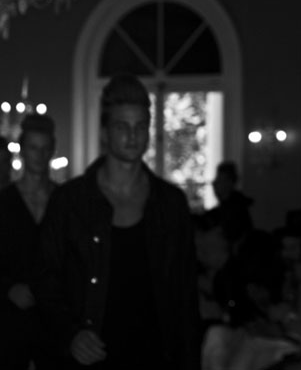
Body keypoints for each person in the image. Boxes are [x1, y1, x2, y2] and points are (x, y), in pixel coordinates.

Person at [35, 73, 200, 369]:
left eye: (140, 126)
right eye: (122, 126)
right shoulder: (70, 202)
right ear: (104, 133)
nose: (132, 135)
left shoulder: (170, 204)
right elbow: (46, 280)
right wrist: (70, 334)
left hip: (155, 355)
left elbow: (185, 296)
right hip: (91, 356)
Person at [0, 114, 58, 369]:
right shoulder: (4, 202)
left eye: (45, 148)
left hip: (53, 317)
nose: (39, 155)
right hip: (9, 318)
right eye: (33, 148)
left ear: (52, 150)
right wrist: (8, 289)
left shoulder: (64, 201)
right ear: (22, 150)